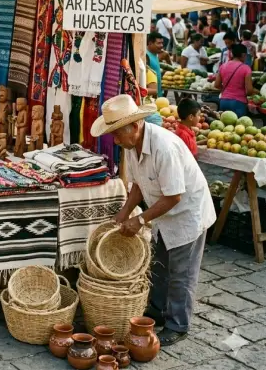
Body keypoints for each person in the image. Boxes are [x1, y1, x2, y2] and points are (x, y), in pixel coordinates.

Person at [91, 95, 215, 346]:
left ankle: (178, 324)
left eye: (117, 134)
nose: (114, 140)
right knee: (159, 266)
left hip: (187, 213)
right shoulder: (133, 147)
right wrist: (124, 213)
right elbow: (138, 185)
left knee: (181, 273)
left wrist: (140, 220)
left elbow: (174, 196)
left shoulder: (164, 147)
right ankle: (157, 311)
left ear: (134, 127)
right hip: (165, 213)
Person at [214, 43, 253, 118]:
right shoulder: (246, 68)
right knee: (238, 128)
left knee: (224, 127)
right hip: (238, 103)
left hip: (224, 101)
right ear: (243, 55)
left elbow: (216, 85)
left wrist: (227, 90)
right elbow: (249, 91)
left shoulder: (223, 66)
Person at [146, 32, 165, 98]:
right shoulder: (146, 56)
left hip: (158, 94)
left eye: (162, 43)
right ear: (150, 43)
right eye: (159, 43)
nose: (161, 45)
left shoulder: (155, 53)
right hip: (150, 96)